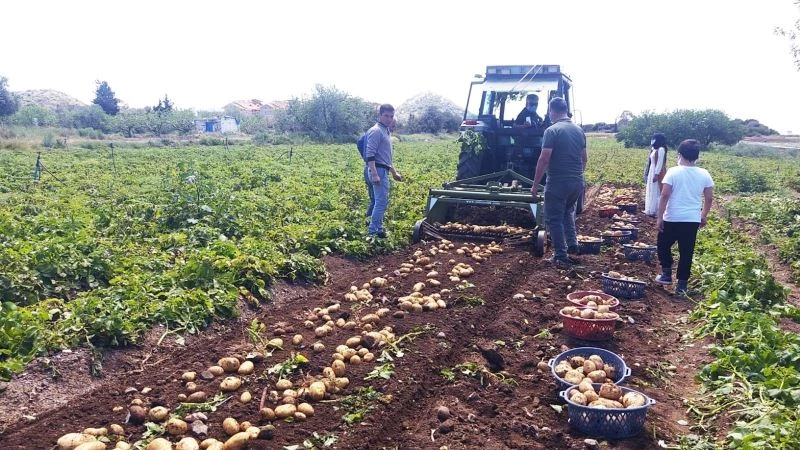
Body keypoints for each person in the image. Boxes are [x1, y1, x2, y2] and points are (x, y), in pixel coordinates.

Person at [531, 97, 587, 267]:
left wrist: (535, 185)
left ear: (552, 111)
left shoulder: (552, 130)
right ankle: (573, 246)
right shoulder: (579, 130)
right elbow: (584, 159)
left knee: (554, 219)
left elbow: (544, 159)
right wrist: (576, 175)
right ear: (566, 110)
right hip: (577, 182)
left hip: (557, 182)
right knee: (567, 213)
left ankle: (560, 256)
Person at [654, 139, 714, 296]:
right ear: (697, 156)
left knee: (663, 244)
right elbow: (709, 198)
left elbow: (665, 194)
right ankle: (681, 286)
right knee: (686, 252)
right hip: (691, 220)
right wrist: (703, 215)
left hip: (672, 217)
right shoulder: (704, 173)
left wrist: (659, 217)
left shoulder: (673, 171)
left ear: (679, 154)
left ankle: (666, 273)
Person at [364, 104, 403, 238]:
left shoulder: (385, 131)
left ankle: (377, 228)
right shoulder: (376, 131)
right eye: (386, 116)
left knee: (379, 201)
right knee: (380, 202)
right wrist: (374, 173)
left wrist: (393, 172)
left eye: (391, 116)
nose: (389, 119)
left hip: (382, 169)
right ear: (380, 115)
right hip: (378, 170)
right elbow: (370, 154)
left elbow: (385, 157)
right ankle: (373, 231)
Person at [644, 133, 668, 217]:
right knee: (651, 188)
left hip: (657, 171)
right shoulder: (654, 149)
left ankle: (657, 210)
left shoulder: (661, 149)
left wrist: (656, 174)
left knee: (657, 189)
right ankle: (651, 209)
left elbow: (660, 163)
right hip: (652, 170)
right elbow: (650, 162)